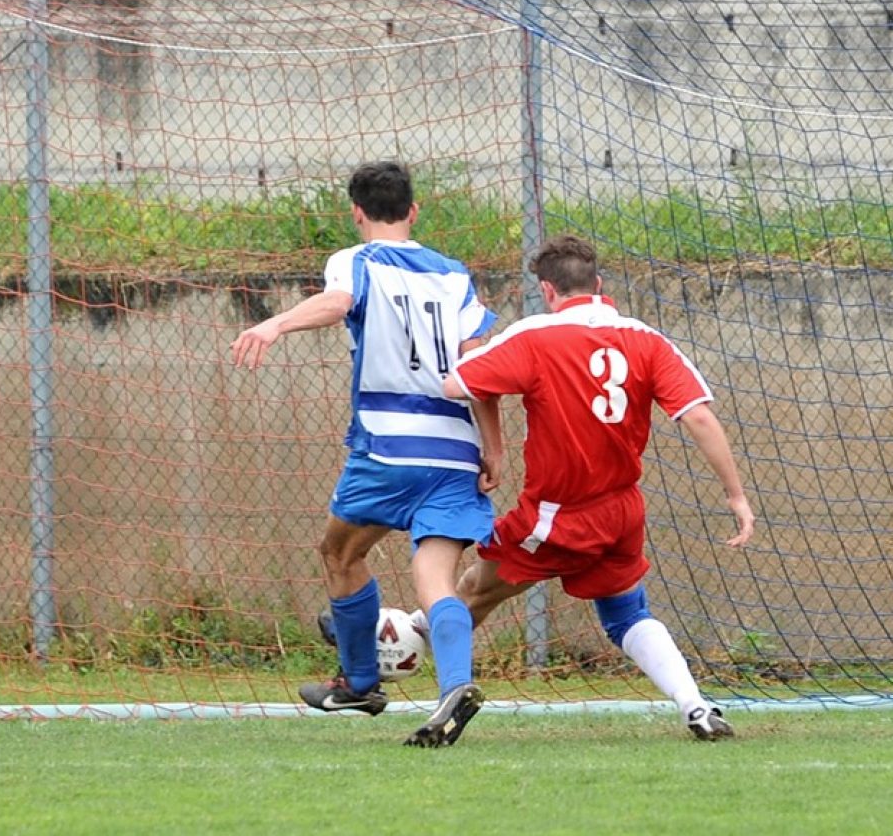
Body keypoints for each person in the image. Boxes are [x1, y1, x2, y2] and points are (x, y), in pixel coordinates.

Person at [440, 233, 757, 740]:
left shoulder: (535, 337)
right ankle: (696, 706)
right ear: (599, 285)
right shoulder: (647, 339)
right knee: (626, 611)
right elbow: (698, 417)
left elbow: (458, 383)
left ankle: (401, 664)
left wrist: (491, 428)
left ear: (547, 290)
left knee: (471, 590)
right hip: (622, 511)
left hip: (557, 514)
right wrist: (736, 495)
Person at [231, 160, 502, 748]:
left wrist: (275, 325)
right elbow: (479, 366)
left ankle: (359, 681)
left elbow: (337, 301)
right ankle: (455, 684)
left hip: (386, 445)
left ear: (356, 213)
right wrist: (495, 449)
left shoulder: (355, 261)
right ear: (415, 211)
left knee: (339, 551)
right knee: (437, 580)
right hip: (457, 449)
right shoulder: (455, 276)